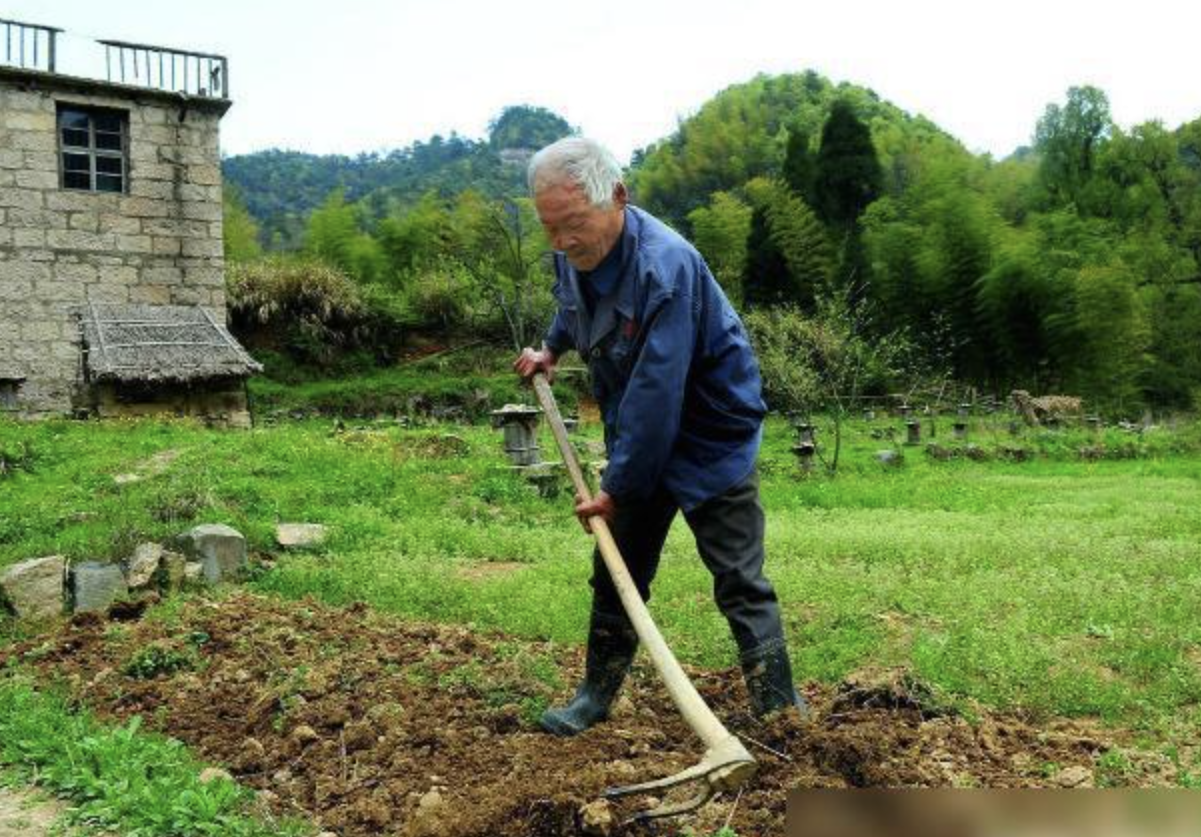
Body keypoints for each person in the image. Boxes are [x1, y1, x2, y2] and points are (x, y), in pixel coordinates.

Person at [514, 136, 806, 736]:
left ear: (617, 196)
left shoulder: (664, 269)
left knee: (738, 576)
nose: (562, 242)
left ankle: (781, 714)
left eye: (572, 225)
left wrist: (615, 489)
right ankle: (594, 697)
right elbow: (573, 308)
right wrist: (551, 349)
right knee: (616, 569)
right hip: (640, 436)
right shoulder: (574, 256)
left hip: (707, 438)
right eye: (549, 230)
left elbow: (656, 395)